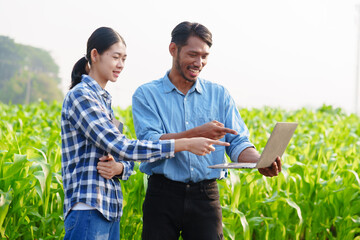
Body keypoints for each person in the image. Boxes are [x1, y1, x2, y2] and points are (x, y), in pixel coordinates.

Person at [61, 26, 229, 240]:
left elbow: (126, 158)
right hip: (88, 207)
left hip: (108, 209)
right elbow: (123, 147)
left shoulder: (104, 101)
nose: (120, 65)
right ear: (95, 55)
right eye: (115, 57)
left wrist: (119, 167)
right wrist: (186, 143)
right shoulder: (81, 97)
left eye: (124, 59)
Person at [132, 21, 282, 240]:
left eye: (204, 56)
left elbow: (237, 142)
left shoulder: (219, 95)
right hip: (162, 195)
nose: (199, 62)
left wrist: (259, 161)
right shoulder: (146, 95)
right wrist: (197, 133)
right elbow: (151, 144)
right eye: (193, 54)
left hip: (205, 196)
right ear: (173, 49)